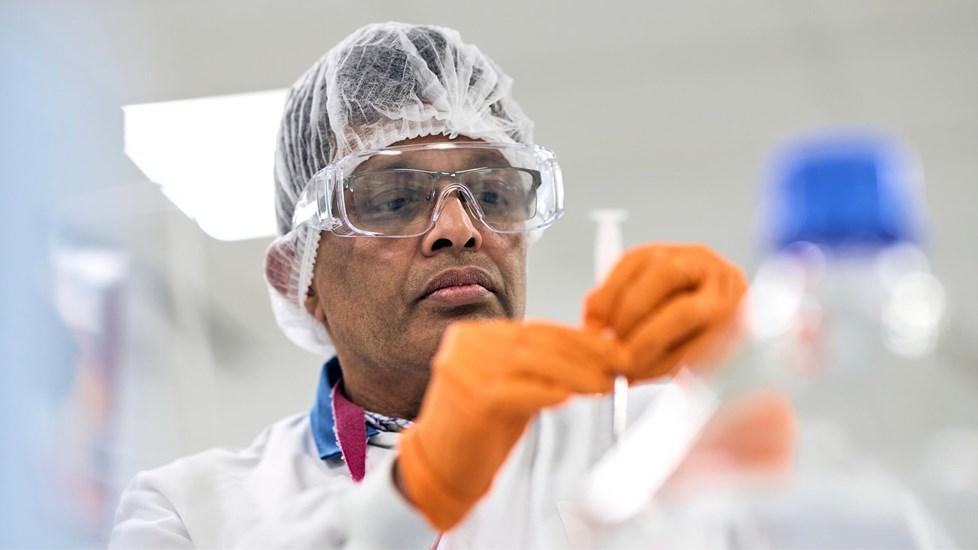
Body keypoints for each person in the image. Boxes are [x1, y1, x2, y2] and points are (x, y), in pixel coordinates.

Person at [109, 22, 751, 548]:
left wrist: (749, 376)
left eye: (493, 193)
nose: (458, 228)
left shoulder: (643, 445)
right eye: (392, 200)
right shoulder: (190, 513)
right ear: (301, 279)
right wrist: (409, 500)